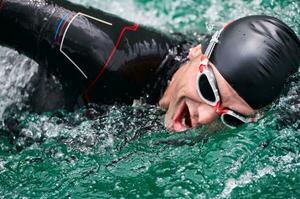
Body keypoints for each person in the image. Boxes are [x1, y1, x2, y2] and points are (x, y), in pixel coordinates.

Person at [0, 0, 299, 132]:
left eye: (232, 118)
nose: (206, 117)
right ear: (197, 53)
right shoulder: (105, 53)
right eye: (208, 89)